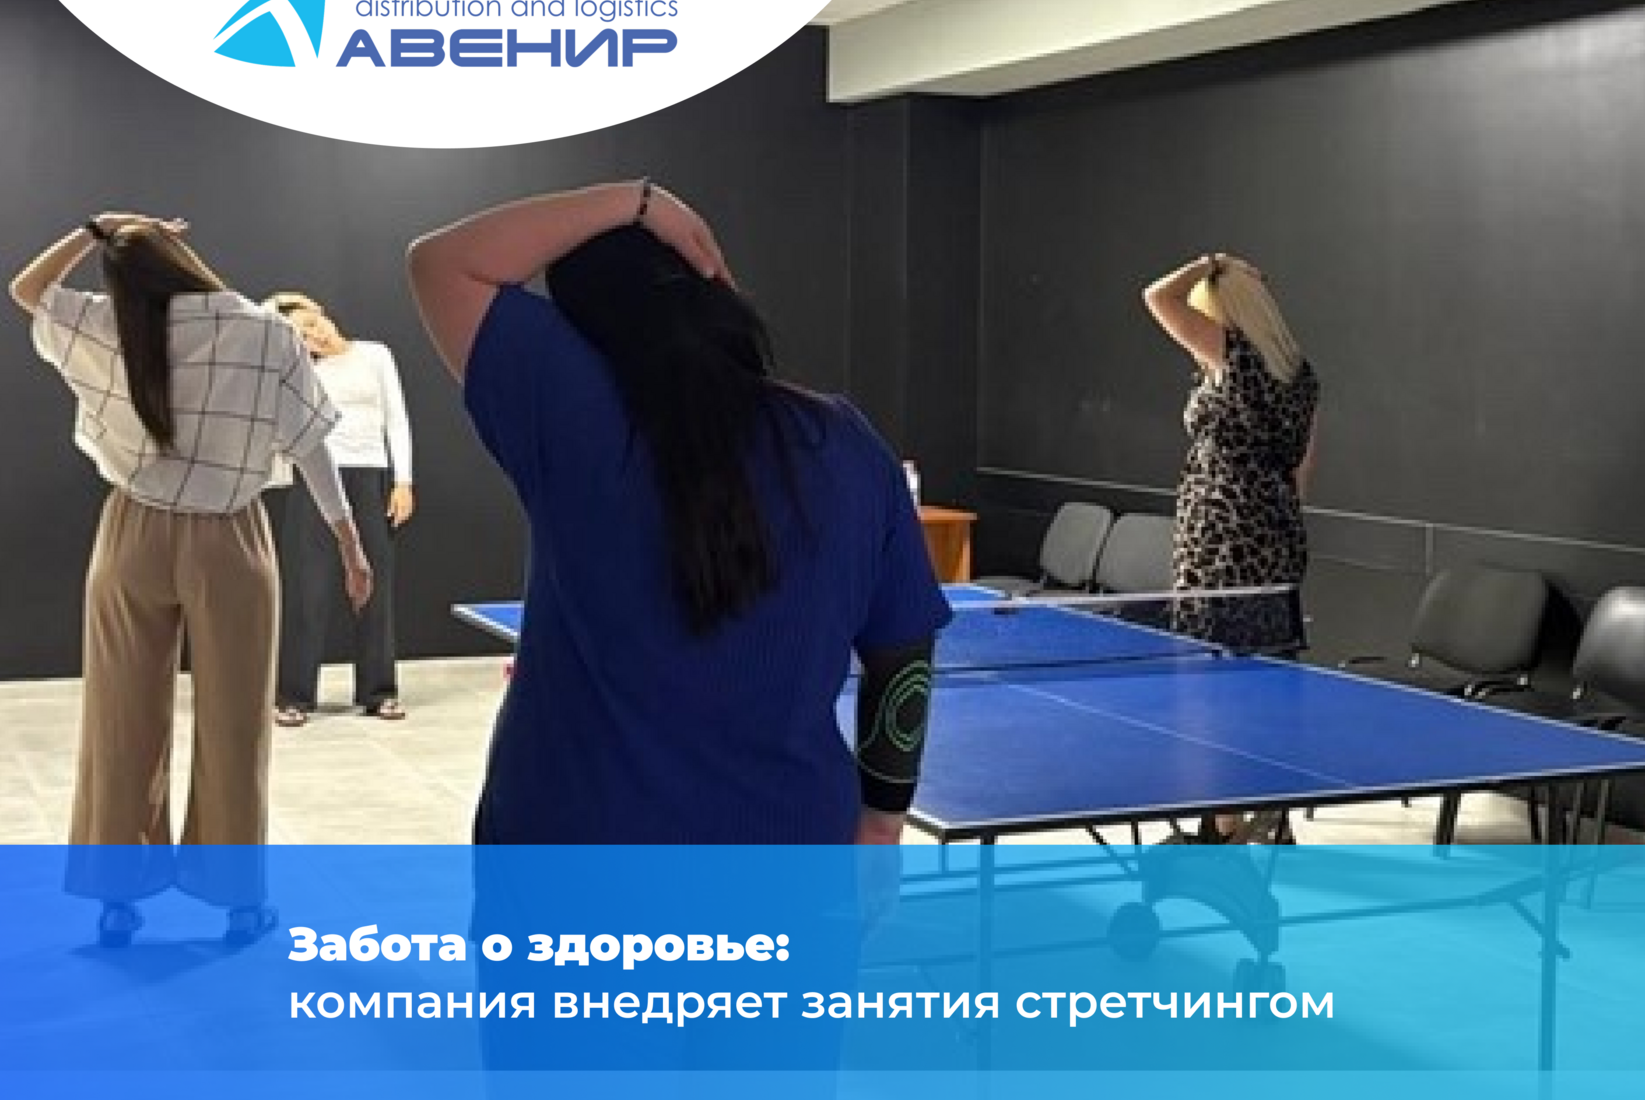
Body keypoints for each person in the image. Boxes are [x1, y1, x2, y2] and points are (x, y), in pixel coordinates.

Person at [407, 179, 952, 845]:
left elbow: (441, 262)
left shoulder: (569, 408)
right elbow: (904, 654)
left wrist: (638, 201)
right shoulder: (844, 443)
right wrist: (884, 820)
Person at [10, 213, 372, 945]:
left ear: (120, 277)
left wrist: (95, 230)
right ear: (182, 257)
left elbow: (27, 289)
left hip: (131, 533)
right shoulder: (266, 332)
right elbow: (309, 446)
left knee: (120, 721)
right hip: (230, 538)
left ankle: (118, 900)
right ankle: (238, 900)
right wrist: (348, 537)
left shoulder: (110, 323)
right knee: (235, 723)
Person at [1143, 252, 1319, 842]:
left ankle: (1222, 823)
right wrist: (1280, 532)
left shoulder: (1231, 352)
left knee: (1210, 683)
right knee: (1262, 683)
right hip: (1274, 533)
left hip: (1218, 540)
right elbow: (1301, 472)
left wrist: (1210, 262)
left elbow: (1155, 297)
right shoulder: (1301, 376)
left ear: (1221, 312)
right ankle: (1258, 815)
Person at [265, 292, 414, 725]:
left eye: (313, 324)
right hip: (316, 479)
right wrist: (281, 321)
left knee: (375, 587)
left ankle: (378, 692)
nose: (315, 336)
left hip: (371, 477)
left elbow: (396, 418)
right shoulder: (300, 371)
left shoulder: (375, 355)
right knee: (307, 588)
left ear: (324, 314)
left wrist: (403, 480)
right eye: (302, 336)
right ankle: (293, 696)